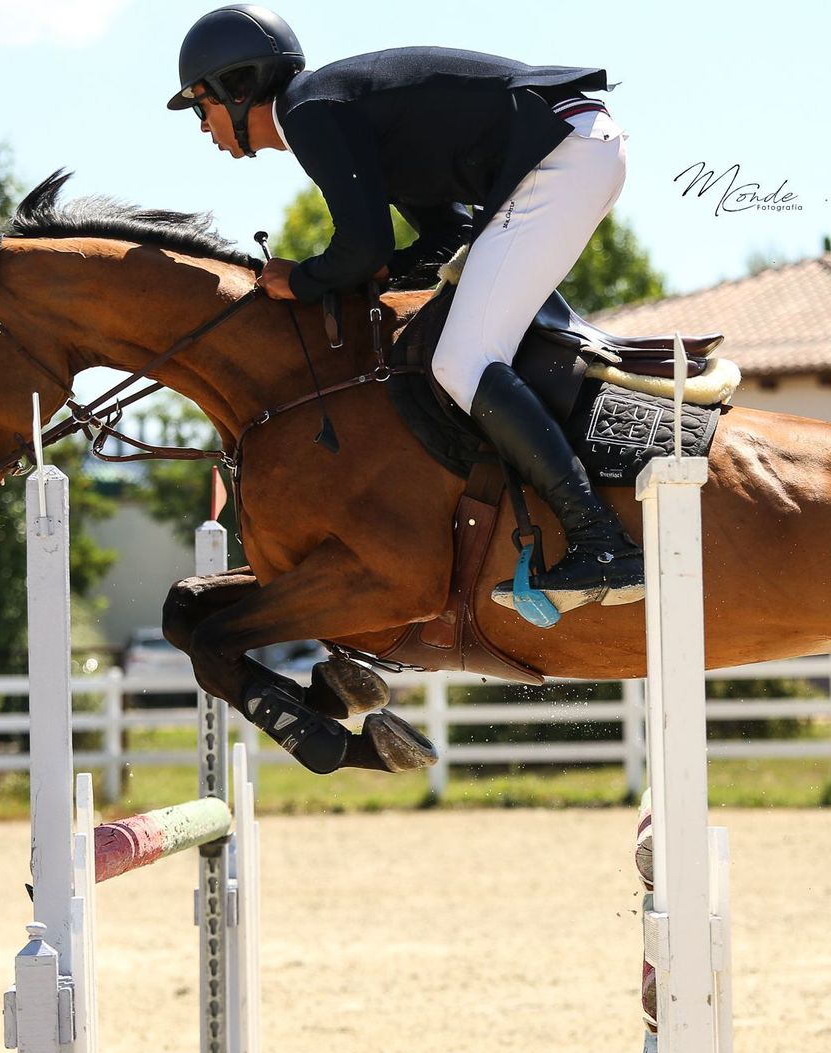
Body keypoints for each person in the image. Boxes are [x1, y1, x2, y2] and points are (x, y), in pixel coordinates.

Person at [167, 4, 644, 615]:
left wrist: (300, 280)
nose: (204, 128)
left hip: (563, 155)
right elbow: (440, 238)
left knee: (463, 360)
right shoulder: (335, 110)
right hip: (574, 148)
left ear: (237, 89)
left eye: (202, 108)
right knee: (462, 347)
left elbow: (362, 247)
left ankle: (602, 541)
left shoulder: (310, 113)